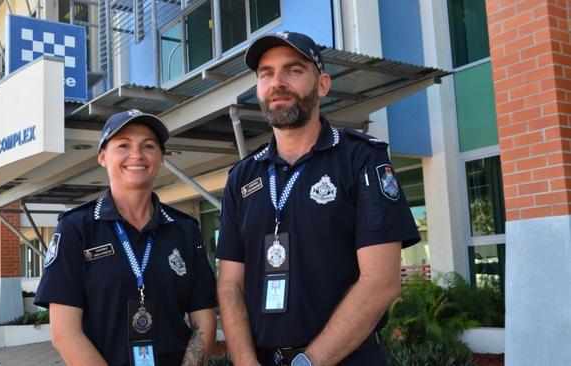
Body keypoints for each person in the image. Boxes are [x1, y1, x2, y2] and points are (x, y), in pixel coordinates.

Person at [216, 31, 420, 366]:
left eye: (293, 70)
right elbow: (229, 285)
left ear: (322, 84)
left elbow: (381, 283)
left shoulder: (361, 159)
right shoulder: (242, 177)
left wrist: (308, 362)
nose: (277, 82)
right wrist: (245, 361)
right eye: (266, 73)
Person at [35, 110, 217, 366]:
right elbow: (65, 333)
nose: (137, 155)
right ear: (102, 157)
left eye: (148, 146)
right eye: (123, 145)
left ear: (161, 158)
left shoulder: (184, 229)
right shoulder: (77, 227)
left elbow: (203, 320)